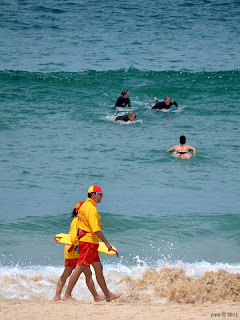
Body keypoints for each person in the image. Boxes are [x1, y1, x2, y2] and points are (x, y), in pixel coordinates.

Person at [62, 186, 121, 302]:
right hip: (89, 243)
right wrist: (107, 243)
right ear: (93, 195)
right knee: (79, 268)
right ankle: (67, 295)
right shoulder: (92, 209)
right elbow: (96, 230)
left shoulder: (83, 206)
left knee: (98, 268)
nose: (102, 197)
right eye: (100, 194)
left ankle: (107, 295)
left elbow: (79, 226)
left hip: (89, 242)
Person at [53, 201, 105, 302]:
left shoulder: (75, 220)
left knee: (66, 273)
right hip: (75, 250)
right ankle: (95, 296)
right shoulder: (78, 221)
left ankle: (57, 296)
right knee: (88, 274)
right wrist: (79, 249)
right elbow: (73, 237)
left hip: (69, 250)